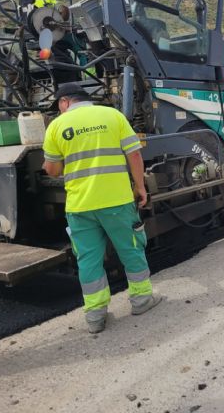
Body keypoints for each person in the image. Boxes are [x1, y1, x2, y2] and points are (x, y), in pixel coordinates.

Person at [42, 83, 162, 334]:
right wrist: (140, 187)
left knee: (88, 259)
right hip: (116, 202)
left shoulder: (56, 126)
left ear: (65, 102)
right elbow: (135, 155)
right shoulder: (113, 116)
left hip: (79, 206)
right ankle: (141, 301)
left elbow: (52, 170)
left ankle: (96, 316)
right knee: (130, 249)